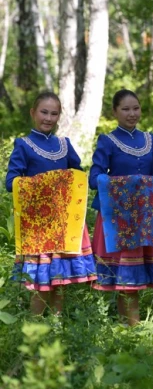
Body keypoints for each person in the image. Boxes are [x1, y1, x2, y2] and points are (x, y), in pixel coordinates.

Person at [5, 92, 96, 315]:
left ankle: (56, 326)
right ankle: (34, 327)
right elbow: (11, 182)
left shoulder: (64, 144)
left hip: (64, 225)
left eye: (54, 113)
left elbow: (77, 175)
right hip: (38, 226)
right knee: (40, 281)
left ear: (59, 116)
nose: (48, 118)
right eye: (44, 112)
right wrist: (45, 185)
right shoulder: (23, 145)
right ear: (33, 113)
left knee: (59, 279)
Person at [89, 89, 153, 326]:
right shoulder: (107, 141)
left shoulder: (150, 140)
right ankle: (130, 326)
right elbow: (94, 177)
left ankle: (130, 326)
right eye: (125, 109)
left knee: (136, 273)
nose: (132, 114)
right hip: (118, 217)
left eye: (136, 108)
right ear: (115, 112)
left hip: (143, 216)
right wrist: (124, 185)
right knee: (123, 275)